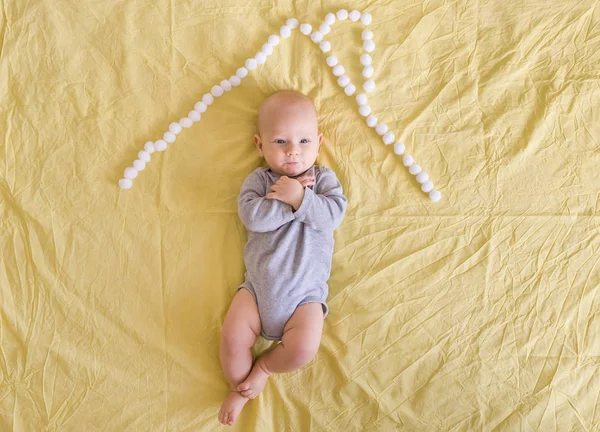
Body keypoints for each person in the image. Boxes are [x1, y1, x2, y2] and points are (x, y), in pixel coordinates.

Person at [218, 90, 347, 426]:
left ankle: (263, 367)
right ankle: (240, 387)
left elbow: (332, 216)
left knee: (304, 348)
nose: (293, 150)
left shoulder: (321, 181)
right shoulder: (259, 181)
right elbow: (253, 218)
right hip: (257, 291)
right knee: (232, 339)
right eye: (280, 141)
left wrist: (302, 198)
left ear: (319, 142)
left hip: (304, 298)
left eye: (304, 140)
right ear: (260, 146)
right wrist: (285, 201)